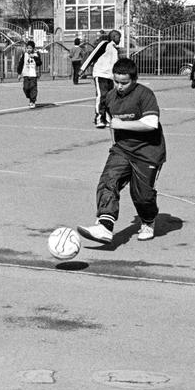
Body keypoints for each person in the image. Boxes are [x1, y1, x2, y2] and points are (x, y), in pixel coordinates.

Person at [76, 57, 165, 245]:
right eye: (116, 81)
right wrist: (116, 144)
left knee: (142, 196)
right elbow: (111, 122)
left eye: (124, 82)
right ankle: (105, 226)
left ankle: (148, 220)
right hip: (123, 150)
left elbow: (151, 123)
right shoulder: (110, 96)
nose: (119, 86)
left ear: (134, 79)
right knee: (108, 180)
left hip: (148, 152)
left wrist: (122, 124)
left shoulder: (145, 94)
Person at [80, 30, 121, 128]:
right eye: (118, 37)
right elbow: (93, 55)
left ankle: (107, 119)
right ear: (113, 36)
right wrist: (82, 69)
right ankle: (98, 118)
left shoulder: (116, 49)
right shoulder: (104, 44)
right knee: (102, 95)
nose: (120, 39)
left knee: (110, 97)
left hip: (110, 76)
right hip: (100, 73)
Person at [16, 40, 42, 108]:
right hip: (26, 74)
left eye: (30, 48)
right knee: (26, 88)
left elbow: (39, 63)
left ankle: (32, 101)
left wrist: (35, 57)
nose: (29, 50)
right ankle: (30, 97)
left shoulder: (36, 54)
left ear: (33, 48)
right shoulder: (25, 55)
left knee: (33, 88)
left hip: (33, 75)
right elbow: (21, 64)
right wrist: (19, 73)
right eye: (28, 48)